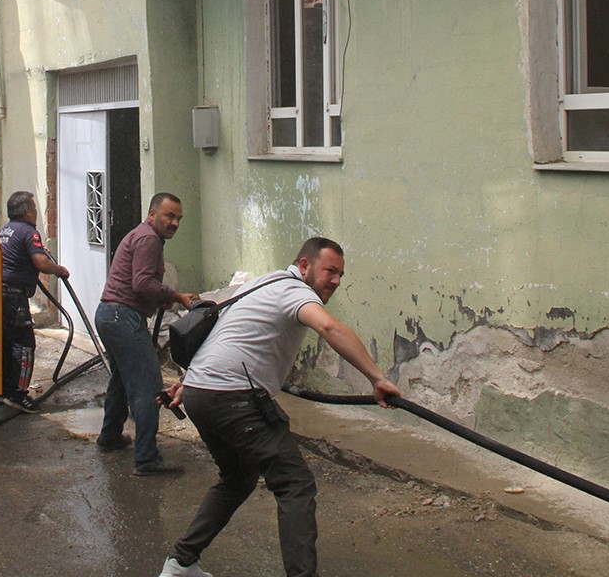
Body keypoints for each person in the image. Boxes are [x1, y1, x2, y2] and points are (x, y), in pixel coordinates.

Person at [158, 237, 402, 577]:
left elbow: (226, 333)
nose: (335, 280)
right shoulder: (294, 291)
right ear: (304, 265)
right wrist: (377, 378)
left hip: (204, 390)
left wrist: (190, 385)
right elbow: (329, 326)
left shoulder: (264, 282)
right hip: (232, 395)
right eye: (330, 270)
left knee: (238, 479)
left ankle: (181, 564)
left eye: (341, 275)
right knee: (295, 484)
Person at [95, 192, 199, 476]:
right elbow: (141, 283)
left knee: (121, 380)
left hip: (111, 315)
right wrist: (176, 295)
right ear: (152, 214)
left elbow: (142, 284)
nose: (175, 222)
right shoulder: (148, 239)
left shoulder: (145, 237)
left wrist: (161, 298)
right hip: (122, 317)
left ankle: (110, 437)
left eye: (179, 218)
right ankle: (146, 459)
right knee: (147, 386)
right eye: (169, 215)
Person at [0, 190, 70, 414]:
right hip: (15, 296)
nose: (36, 212)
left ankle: (3, 391)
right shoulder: (29, 232)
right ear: (28, 211)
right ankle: (18, 394)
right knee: (24, 344)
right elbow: (39, 261)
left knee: (6, 343)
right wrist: (58, 270)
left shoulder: (4, 230)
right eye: (35, 208)